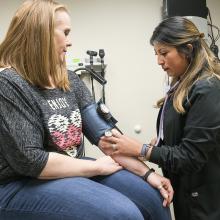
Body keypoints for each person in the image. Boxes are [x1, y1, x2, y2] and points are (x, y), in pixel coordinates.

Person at [0, 1, 173, 219]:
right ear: (41, 35)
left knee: (153, 199)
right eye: (65, 32)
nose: (70, 41)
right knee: (122, 214)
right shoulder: (8, 83)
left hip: (70, 171)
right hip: (19, 183)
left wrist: (147, 174)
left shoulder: (69, 80)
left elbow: (107, 138)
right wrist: (95, 168)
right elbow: (32, 161)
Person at [100, 16, 220, 220]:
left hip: (204, 201)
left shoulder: (208, 88)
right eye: (156, 54)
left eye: (164, 53)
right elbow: (184, 132)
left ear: (188, 49)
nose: (159, 61)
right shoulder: (182, 85)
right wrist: (160, 144)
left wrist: (143, 150)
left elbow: (190, 156)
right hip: (186, 191)